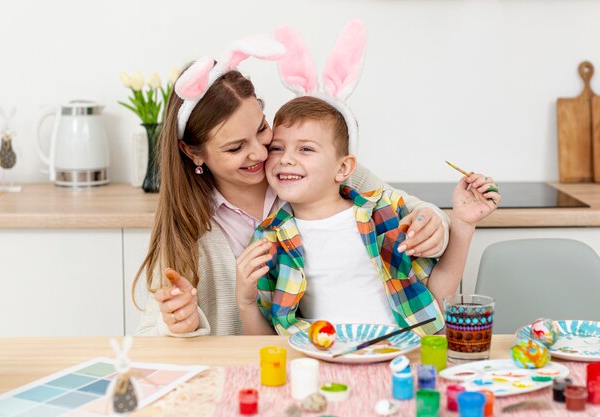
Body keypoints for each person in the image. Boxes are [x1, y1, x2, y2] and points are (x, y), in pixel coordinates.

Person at [133, 33, 451, 337]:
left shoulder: (322, 173)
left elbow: (415, 210)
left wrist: (433, 225)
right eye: (235, 148)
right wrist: (180, 324)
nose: (260, 153)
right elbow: (149, 334)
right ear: (193, 152)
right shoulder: (187, 226)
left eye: (261, 129)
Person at [234, 22, 500, 336]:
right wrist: (246, 303)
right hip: (328, 365)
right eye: (276, 148)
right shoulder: (269, 239)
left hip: (403, 359)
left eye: (305, 148)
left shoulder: (385, 213)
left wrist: (463, 224)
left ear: (344, 168)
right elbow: (268, 346)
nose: (286, 158)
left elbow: (437, 299)